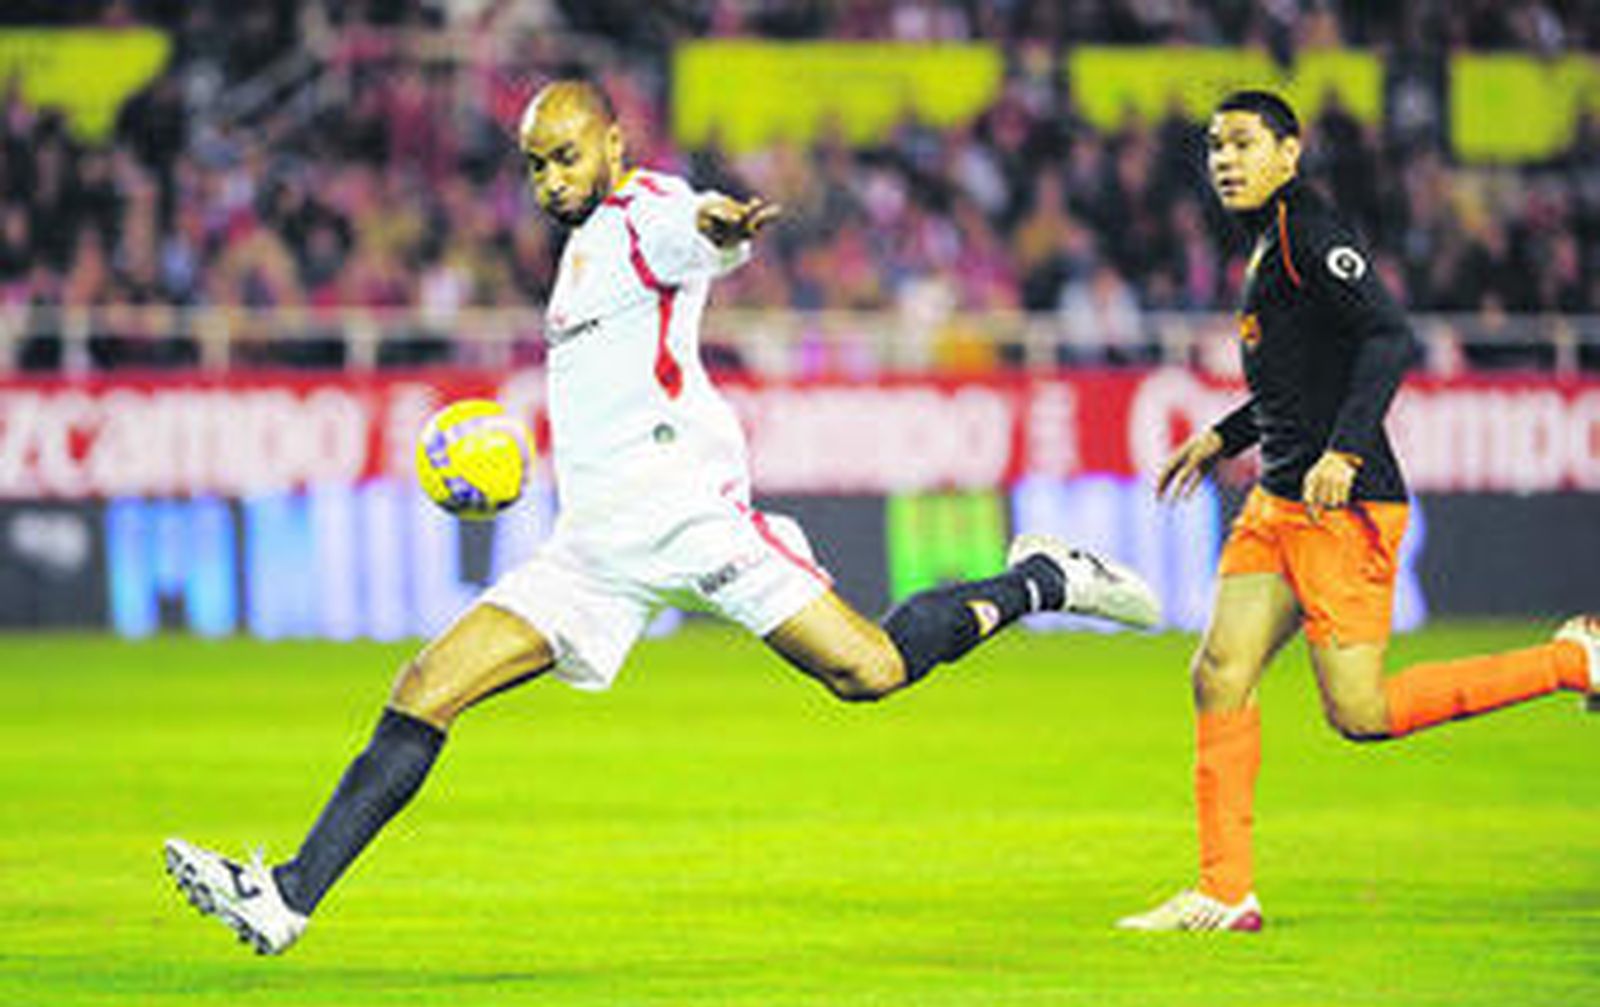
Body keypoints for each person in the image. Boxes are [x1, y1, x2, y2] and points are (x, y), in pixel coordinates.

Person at [162, 80, 1162, 955]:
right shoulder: (581, 249)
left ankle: (1045, 578)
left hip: (692, 521)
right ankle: (287, 896)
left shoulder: (645, 212)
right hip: (592, 551)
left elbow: (700, 226)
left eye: (566, 156)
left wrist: (722, 223)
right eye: (534, 164)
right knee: (427, 684)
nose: (549, 179)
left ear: (613, 144)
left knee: (870, 671)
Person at [1118, 90, 1598, 933]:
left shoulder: (1308, 233)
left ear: (1289, 153)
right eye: (1215, 146)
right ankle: (1226, 891)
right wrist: (1224, 436)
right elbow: (1299, 379)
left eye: (1243, 143)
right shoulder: (1267, 240)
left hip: (1342, 504)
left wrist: (1342, 452)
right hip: (1278, 500)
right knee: (1218, 672)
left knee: (1361, 713)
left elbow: (1388, 335)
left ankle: (1573, 658)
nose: (1224, 159)